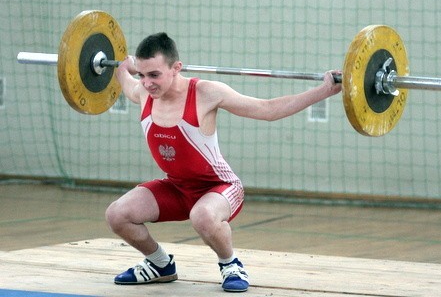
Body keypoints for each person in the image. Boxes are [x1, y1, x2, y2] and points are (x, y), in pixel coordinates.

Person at [105, 32, 342, 293]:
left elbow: (268, 109)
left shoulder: (206, 93)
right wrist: (119, 66)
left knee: (203, 216)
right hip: (177, 187)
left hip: (219, 187)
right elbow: (123, 77)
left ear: (176, 68)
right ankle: (160, 265)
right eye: (142, 74)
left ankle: (230, 264)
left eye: (154, 75)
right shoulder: (142, 92)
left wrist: (324, 91)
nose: (147, 83)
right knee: (117, 215)